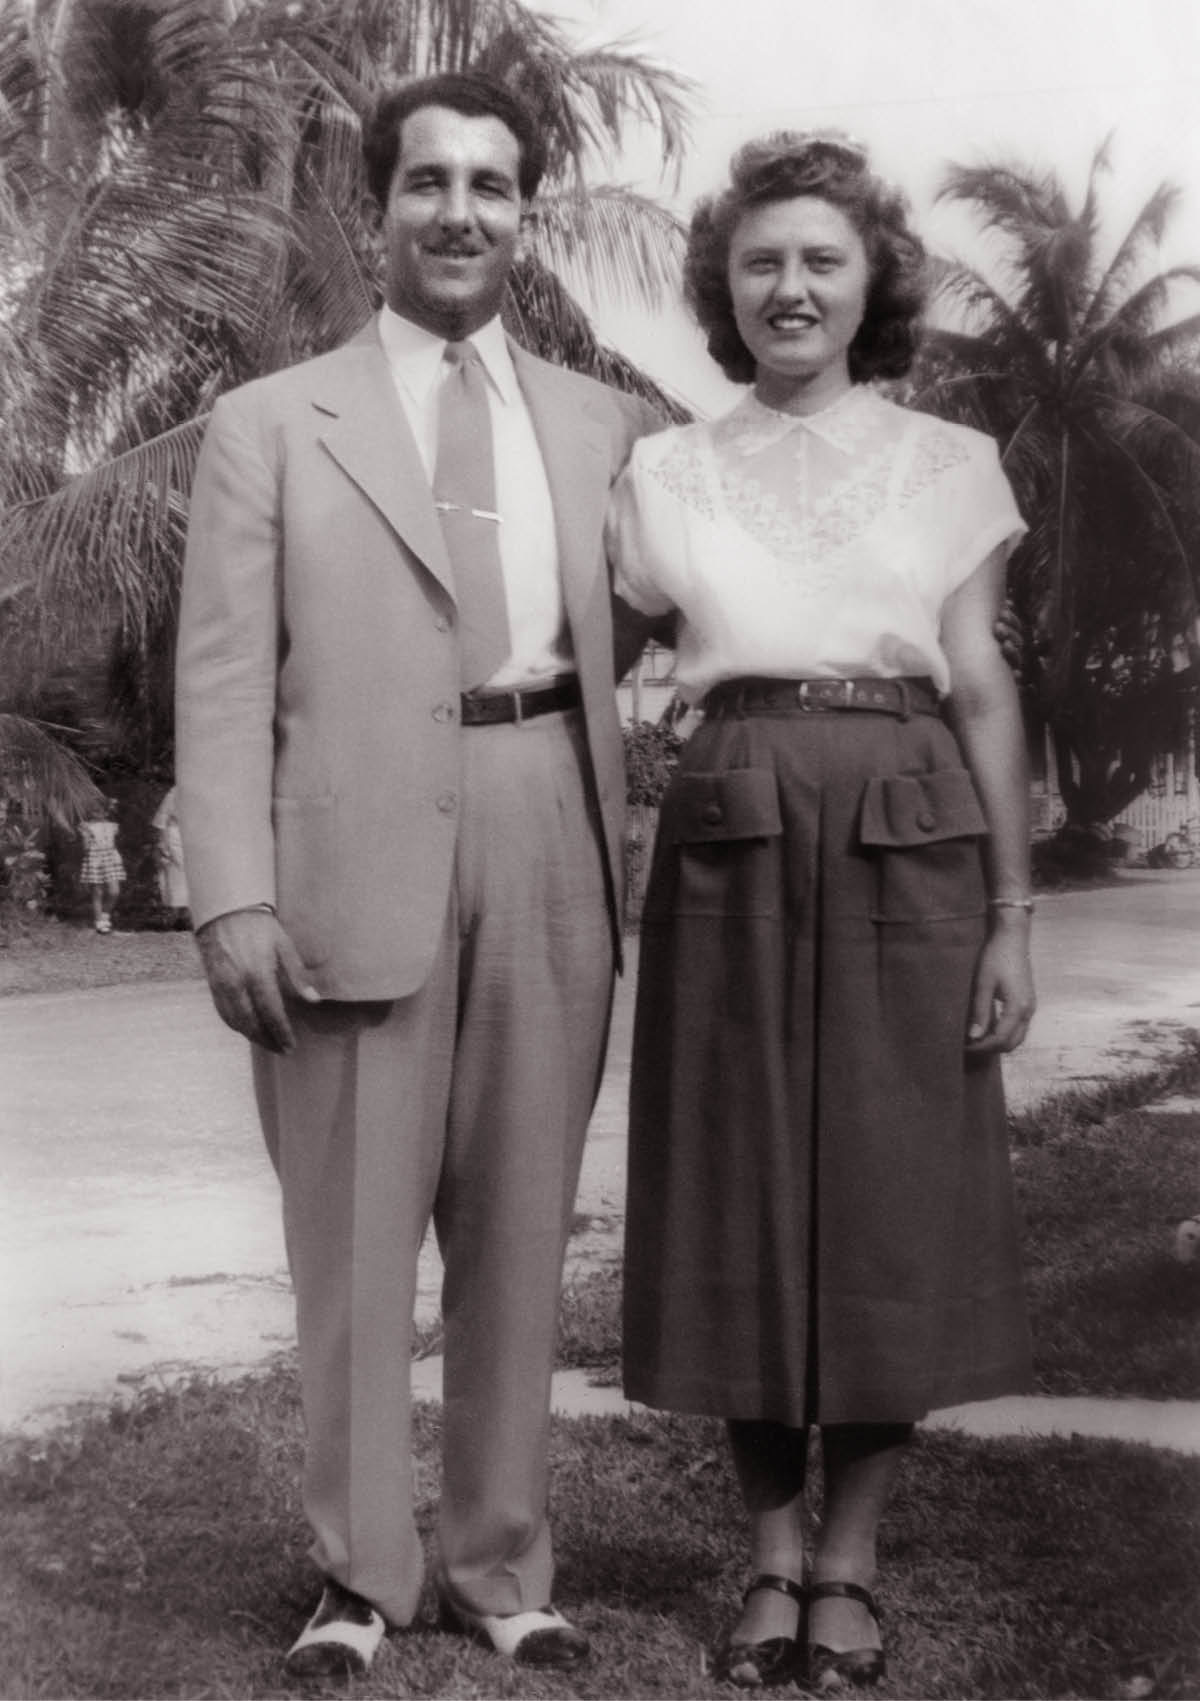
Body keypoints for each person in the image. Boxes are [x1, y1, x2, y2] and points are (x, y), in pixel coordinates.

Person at [176, 72, 660, 1682]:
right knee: (354, 1239)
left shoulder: (599, 428)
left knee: (524, 1226)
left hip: (548, 832)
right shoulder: (270, 423)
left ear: (526, 216)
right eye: (428, 184)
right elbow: (228, 677)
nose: (462, 213)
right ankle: (361, 1581)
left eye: (494, 187)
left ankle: (502, 1563)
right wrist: (232, 891)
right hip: (345, 852)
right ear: (374, 208)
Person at [608, 132, 1036, 1691]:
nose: (790, 288)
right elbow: (593, 668)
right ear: (726, 290)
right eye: (761, 262)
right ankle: (768, 1563)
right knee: (738, 1183)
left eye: (821, 260)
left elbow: (980, 681)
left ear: (872, 286)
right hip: (731, 819)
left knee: (886, 1192)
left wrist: (1011, 912)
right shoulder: (664, 472)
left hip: (907, 819)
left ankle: (849, 1566)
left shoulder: (950, 463)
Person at [78, 797, 125, 934]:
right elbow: (85, 848)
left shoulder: (112, 826)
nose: (96, 813)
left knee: (114, 891)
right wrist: (86, 837)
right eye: (93, 811)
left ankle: (105, 915)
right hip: (95, 859)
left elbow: (113, 843)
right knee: (97, 892)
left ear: (106, 812)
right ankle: (98, 921)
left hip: (110, 859)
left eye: (99, 811)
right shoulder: (86, 826)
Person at [150, 785, 189, 928]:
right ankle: (175, 916)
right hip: (175, 837)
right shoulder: (175, 792)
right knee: (176, 876)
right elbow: (162, 819)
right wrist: (162, 843)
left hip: (197, 838)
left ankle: (187, 917)